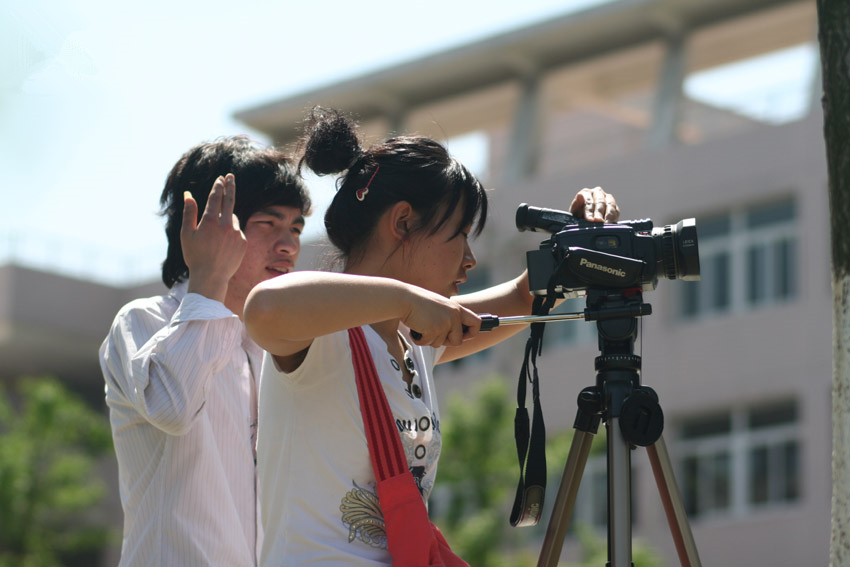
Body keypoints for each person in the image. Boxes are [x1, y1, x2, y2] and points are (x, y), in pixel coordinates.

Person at [243, 107, 619, 566]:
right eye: (458, 235)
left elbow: (526, 297)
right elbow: (262, 307)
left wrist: (583, 240)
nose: (470, 260)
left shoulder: (411, 339)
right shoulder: (322, 329)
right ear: (402, 223)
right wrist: (405, 299)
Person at [99, 136, 311, 567]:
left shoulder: (269, 346)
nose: (288, 245)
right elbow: (173, 408)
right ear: (208, 228)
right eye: (268, 223)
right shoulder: (143, 321)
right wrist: (209, 278)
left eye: (296, 227)